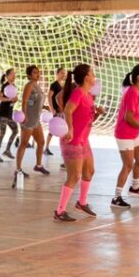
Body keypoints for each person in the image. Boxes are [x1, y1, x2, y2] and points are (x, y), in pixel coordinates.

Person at [54, 64, 103, 221]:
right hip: (72, 140)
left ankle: (82, 203)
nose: (94, 76)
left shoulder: (88, 95)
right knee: (74, 175)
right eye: (92, 73)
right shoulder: (78, 93)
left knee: (89, 171)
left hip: (83, 140)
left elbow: (87, 119)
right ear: (86, 77)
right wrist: (69, 129)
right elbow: (68, 110)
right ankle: (59, 211)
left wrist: (98, 115)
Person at [111, 64, 139, 209]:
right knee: (128, 165)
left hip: (133, 133)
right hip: (124, 134)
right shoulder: (132, 93)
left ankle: (135, 188)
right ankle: (116, 198)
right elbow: (128, 118)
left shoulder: (137, 92)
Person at [15, 65, 49, 178]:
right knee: (23, 144)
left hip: (36, 120)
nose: (37, 74)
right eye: (34, 72)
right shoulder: (29, 85)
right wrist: (24, 116)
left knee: (41, 142)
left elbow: (35, 102)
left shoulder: (37, 86)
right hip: (28, 120)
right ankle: (18, 169)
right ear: (29, 75)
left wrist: (45, 107)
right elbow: (24, 101)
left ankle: (38, 165)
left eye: (38, 72)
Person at [0, 68, 18, 158]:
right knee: (2, 132)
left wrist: (15, 100)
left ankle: (7, 150)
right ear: (7, 76)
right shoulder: (5, 86)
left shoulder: (14, 87)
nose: (14, 75)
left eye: (14, 74)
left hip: (9, 114)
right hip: (2, 113)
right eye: (12, 74)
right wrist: (9, 99)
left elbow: (13, 99)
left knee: (15, 130)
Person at [45, 66, 65, 156]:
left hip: (62, 111)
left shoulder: (63, 85)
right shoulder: (54, 84)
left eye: (64, 73)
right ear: (57, 74)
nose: (63, 74)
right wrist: (52, 109)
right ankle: (46, 148)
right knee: (53, 130)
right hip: (56, 111)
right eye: (61, 73)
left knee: (63, 129)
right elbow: (49, 96)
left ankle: (63, 150)